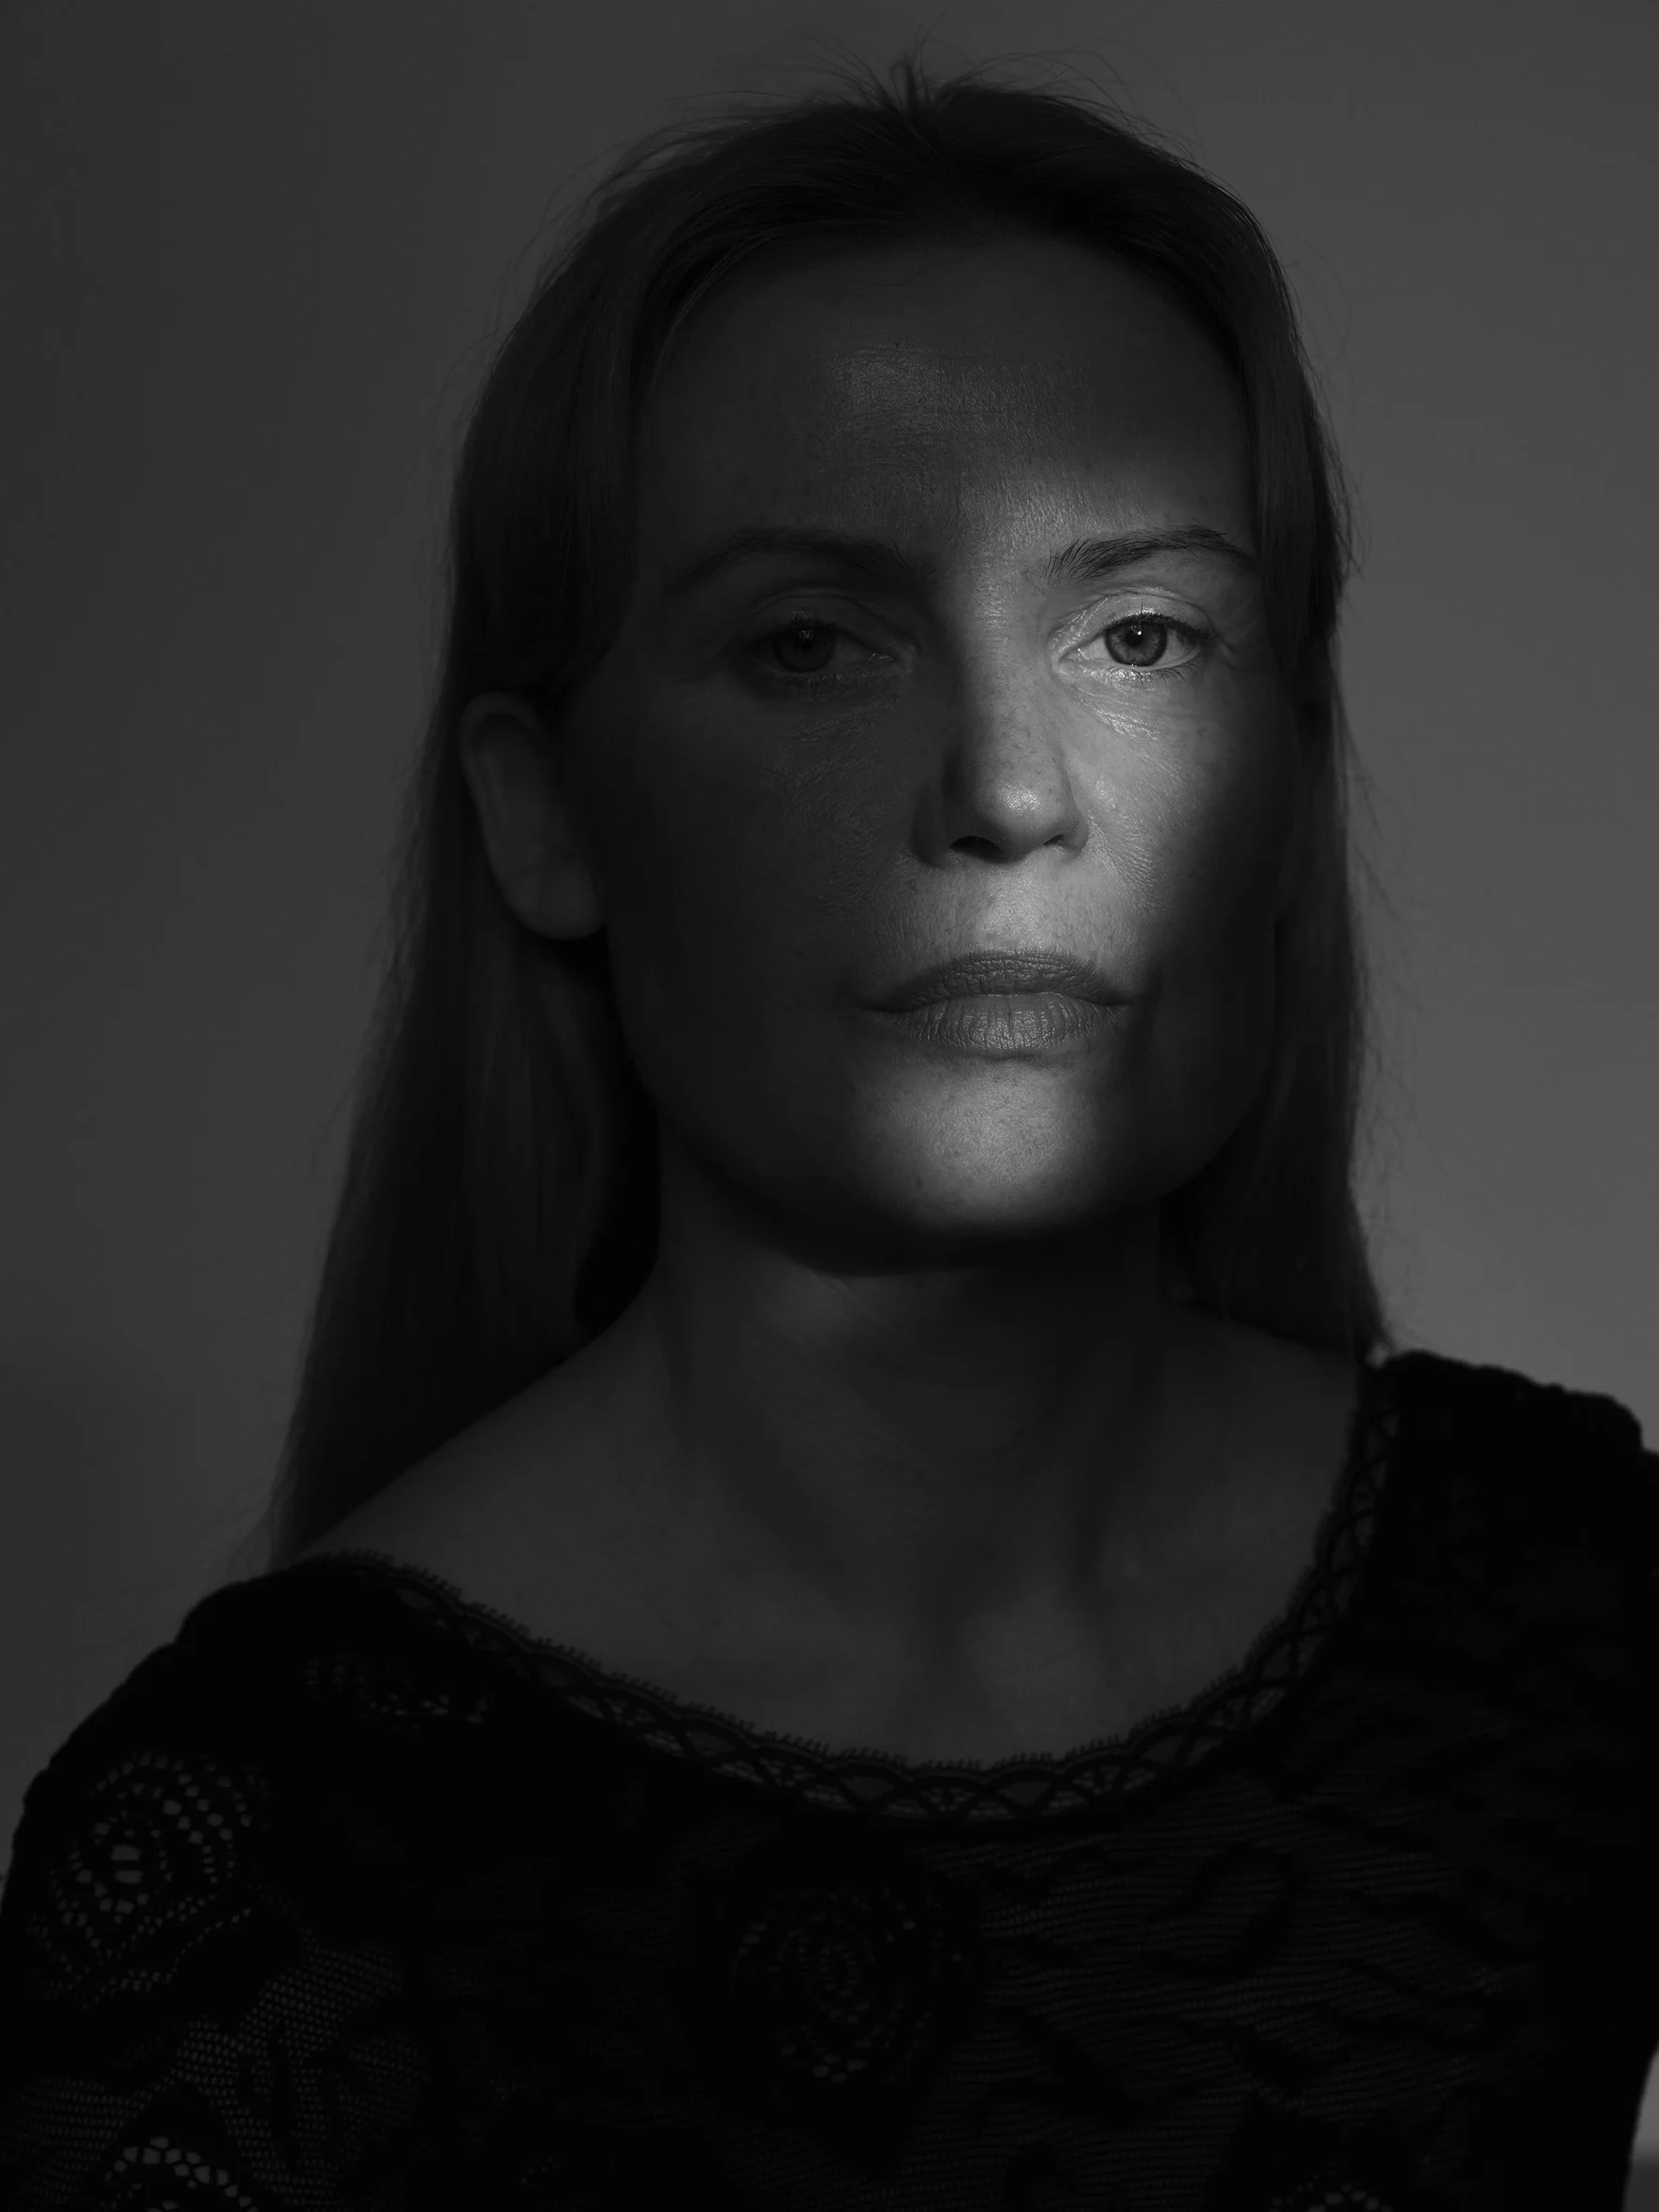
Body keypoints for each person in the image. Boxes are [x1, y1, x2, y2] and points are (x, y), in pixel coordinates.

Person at [2, 44, 1653, 2212]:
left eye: (1142, 632)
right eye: (811, 639)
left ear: (1286, 763)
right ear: (543, 806)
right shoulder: (250, 1848)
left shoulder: (1573, 1601)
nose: (1008, 787)